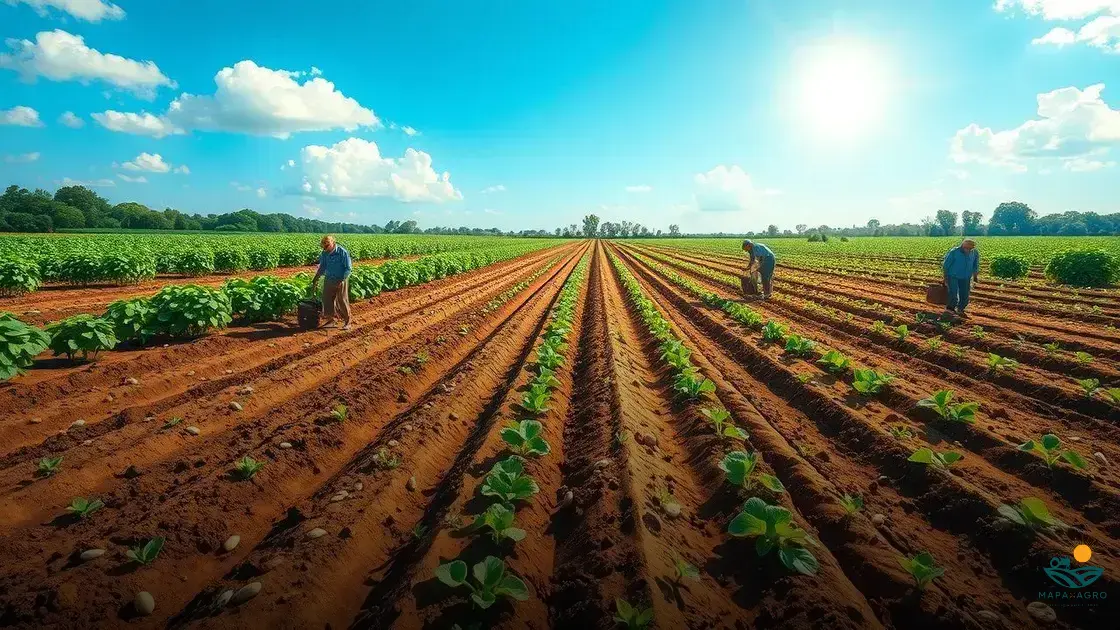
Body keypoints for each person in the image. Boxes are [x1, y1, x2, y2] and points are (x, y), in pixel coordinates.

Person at [312, 235, 353, 330]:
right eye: (324, 246)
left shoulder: (342, 252)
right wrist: (316, 278)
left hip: (341, 278)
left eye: (327, 245)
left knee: (342, 300)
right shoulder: (325, 253)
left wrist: (342, 280)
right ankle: (331, 320)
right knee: (327, 299)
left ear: (333, 243)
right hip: (329, 278)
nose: (325, 248)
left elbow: (348, 268)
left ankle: (348, 322)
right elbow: (322, 267)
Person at [942, 238, 979, 319]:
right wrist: (945, 277)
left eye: (970, 248)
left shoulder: (974, 253)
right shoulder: (954, 252)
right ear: (962, 246)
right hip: (953, 276)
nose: (968, 250)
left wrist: (975, 276)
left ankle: (960, 309)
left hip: (966, 276)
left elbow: (975, 265)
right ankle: (950, 310)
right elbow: (945, 265)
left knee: (965, 294)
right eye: (966, 248)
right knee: (953, 293)